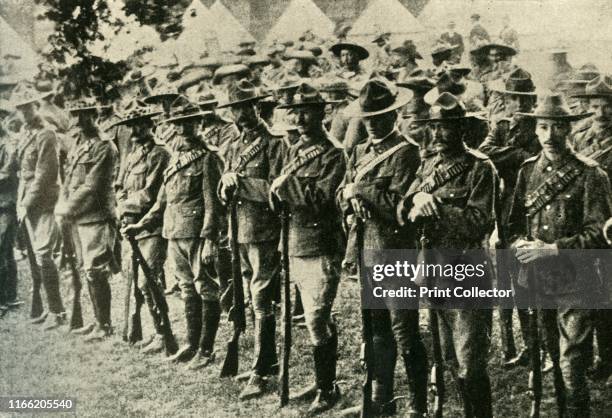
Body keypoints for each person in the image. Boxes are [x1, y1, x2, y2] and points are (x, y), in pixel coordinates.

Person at [507, 93, 611, 417]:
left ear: (568, 131)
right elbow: (511, 225)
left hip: (578, 279)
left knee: (572, 360)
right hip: (538, 280)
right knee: (548, 352)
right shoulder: (527, 172)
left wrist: (553, 249)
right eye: (542, 128)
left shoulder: (590, 174)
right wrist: (520, 246)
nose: (549, 136)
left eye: (556, 128)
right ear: (535, 131)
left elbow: (600, 234)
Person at [338, 78, 427, 416]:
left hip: (394, 251)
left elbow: (399, 208)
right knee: (376, 330)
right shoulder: (359, 152)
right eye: (367, 117)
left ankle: (418, 404)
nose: (373, 122)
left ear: (395, 114)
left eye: (380, 115)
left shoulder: (406, 153)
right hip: (365, 251)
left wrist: (360, 193)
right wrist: (350, 199)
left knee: (404, 330)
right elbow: (341, 194)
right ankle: (382, 399)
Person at [123, 104, 224, 369]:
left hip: (197, 234)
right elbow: (162, 201)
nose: (182, 129)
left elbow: (213, 204)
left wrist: (210, 239)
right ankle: (191, 345)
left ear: (199, 124)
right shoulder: (177, 158)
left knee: (205, 287)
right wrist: (142, 225)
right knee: (187, 288)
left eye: (188, 123)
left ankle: (206, 349)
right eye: (178, 124)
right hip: (174, 232)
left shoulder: (208, 158)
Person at [269, 83, 345, 414]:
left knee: (316, 318)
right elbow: (276, 188)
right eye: (294, 112)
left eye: (306, 112)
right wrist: (280, 192)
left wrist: (287, 188)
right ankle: (322, 382)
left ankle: (328, 388)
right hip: (294, 242)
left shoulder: (332, 153)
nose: (299, 118)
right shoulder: (294, 148)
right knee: (313, 319)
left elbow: (321, 200)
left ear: (322, 113)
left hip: (320, 243)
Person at [217, 80, 284, 400]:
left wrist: (239, 183)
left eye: (244, 107)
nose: (239, 114)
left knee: (261, 298)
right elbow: (223, 190)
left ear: (257, 107)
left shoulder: (275, 143)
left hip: (264, 230)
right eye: (233, 108)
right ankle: (266, 360)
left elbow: (277, 191)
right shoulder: (231, 146)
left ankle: (260, 370)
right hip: (239, 229)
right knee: (249, 294)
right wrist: (226, 184)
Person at [478, 68, 539, 366]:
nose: (518, 105)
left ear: (533, 101)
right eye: (513, 99)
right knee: (504, 277)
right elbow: (485, 153)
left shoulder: (541, 128)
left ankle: (536, 346)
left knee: (529, 280)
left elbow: (535, 163)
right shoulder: (502, 127)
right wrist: (514, 154)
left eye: (523, 100)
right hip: (504, 210)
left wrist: (514, 156)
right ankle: (513, 347)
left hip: (529, 209)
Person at [56, 98, 119, 341]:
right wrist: (62, 205)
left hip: (96, 216)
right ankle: (97, 322)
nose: (79, 121)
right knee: (87, 269)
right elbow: (70, 179)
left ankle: (105, 325)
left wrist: (66, 209)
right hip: (78, 217)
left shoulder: (104, 146)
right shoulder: (80, 144)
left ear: (94, 115)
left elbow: (91, 186)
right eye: (76, 115)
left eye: (85, 115)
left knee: (95, 270)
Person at [114, 104, 174, 355]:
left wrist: (126, 207)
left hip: (151, 226)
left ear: (152, 125)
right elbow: (120, 185)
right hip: (131, 226)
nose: (135, 130)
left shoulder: (160, 154)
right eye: (131, 125)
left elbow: (150, 195)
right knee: (137, 281)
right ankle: (151, 331)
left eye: (141, 124)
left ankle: (164, 332)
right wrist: (120, 207)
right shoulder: (132, 154)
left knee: (149, 281)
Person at [12, 87, 66, 330]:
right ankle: (48, 307)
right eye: (20, 109)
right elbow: (22, 171)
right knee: (35, 258)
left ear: (36, 106)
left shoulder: (47, 134)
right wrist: (21, 201)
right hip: (27, 201)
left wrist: (26, 203)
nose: (23, 112)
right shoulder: (25, 132)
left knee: (44, 254)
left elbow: (45, 175)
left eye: (27, 107)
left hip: (44, 202)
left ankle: (58, 311)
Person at [570, 75, 612, 383]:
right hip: (589, 226)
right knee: (595, 298)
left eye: (607, 106)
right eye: (595, 106)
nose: (600, 113)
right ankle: (603, 356)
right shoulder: (580, 135)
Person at [0, 102, 20, 313]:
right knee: (5, 253)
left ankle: (4, 299)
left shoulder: (10, 145)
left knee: (2, 249)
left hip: (6, 204)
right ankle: (10, 295)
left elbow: (6, 174)